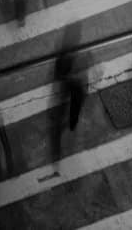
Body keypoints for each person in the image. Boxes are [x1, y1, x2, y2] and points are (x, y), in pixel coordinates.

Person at [51, 27, 86, 168]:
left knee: (68, 109)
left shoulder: (65, 50)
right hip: (71, 84)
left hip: (70, 84)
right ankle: (71, 124)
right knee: (71, 108)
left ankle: (71, 123)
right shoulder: (67, 51)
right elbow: (59, 71)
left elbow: (57, 71)